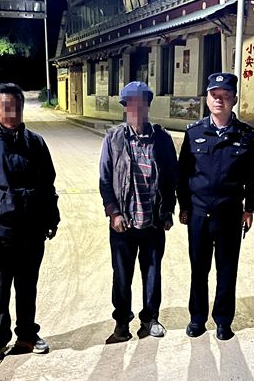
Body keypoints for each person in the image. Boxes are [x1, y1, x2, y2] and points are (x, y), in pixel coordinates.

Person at [0, 83, 60, 364]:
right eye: (6, 107)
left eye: (17, 107)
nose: (12, 113)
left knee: (27, 288)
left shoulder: (36, 143)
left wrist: (51, 217)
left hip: (32, 231)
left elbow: (47, 185)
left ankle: (27, 335)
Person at [177, 72, 254, 341]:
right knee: (198, 269)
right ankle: (197, 318)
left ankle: (224, 320)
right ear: (207, 98)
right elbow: (183, 174)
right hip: (198, 214)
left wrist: (249, 208)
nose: (219, 100)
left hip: (229, 214)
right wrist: (183, 206)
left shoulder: (247, 135)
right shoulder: (194, 133)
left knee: (227, 270)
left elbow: (253, 177)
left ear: (234, 99)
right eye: (214, 95)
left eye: (225, 96)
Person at [99, 81, 178, 342]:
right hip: (124, 222)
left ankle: (150, 318)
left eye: (140, 103)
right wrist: (114, 213)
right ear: (125, 107)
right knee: (122, 276)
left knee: (152, 273)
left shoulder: (162, 139)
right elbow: (105, 179)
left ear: (147, 105)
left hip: (153, 221)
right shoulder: (114, 138)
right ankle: (122, 322)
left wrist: (168, 211)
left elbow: (172, 177)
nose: (135, 109)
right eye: (129, 104)